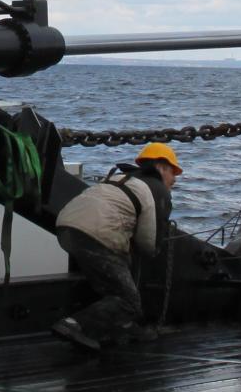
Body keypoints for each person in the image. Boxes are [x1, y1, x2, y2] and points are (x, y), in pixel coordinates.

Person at [50, 141, 182, 351]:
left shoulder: (120, 178)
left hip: (65, 226)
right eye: (173, 172)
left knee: (107, 285)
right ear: (161, 167)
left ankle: (116, 329)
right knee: (129, 301)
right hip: (96, 235)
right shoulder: (157, 189)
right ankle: (74, 324)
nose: (174, 179)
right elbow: (149, 243)